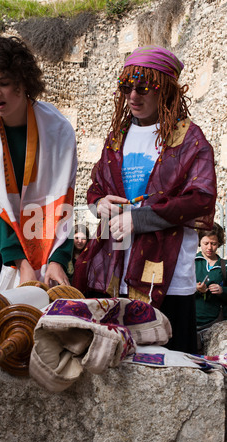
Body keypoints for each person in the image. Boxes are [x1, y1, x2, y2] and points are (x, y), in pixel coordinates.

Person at [73, 45, 217, 354]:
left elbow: (201, 199)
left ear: (164, 89)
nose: (133, 97)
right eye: (127, 88)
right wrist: (98, 204)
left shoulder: (190, 138)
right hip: (117, 270)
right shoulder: (117, 136)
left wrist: (138, 220)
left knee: (173, 360)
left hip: (168, 276)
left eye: (143, 88)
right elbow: (96, 187)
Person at [0, 36, 77, 290]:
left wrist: (59, 258)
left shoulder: (58, 131)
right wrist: (21, 262)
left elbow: (64, 200)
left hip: (45, 245)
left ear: (24, 82)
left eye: (3, 83)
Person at [195, 222, 227, 327]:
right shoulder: (191, 262)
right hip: (191, 320)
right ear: (199, 241)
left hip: (216, 322)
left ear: (219, 243)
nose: (209, 248)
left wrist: (222, 291)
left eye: (213, 244)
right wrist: (195, 288)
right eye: (206, 243)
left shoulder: (224, 266)